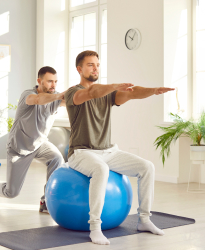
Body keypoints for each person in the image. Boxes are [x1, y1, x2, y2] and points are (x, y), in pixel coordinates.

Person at [65, 50, 175, 245]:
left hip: (108, 151)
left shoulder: (107, 95)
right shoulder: (73, 93)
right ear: (79, 69)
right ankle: (95, 227)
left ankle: (144, 220)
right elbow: (91, 92)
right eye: (91, 65)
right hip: (81, 152)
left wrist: (154, 90)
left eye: (97, 65)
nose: (95, 68)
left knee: (147, 167)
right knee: (101, 169)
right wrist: (114, 86)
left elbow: (131, 93)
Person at [0, 66, 66, 213]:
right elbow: (38, 100)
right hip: (19, 148)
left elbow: (74, 101)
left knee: (57, 159)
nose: (53, 85)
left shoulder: (55, 96)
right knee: (12, 192)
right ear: (39, 81)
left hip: (40, 144)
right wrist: (59, 96)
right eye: (49, 82)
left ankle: (46, 200)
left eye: (55, 81)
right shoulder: (28, 95)